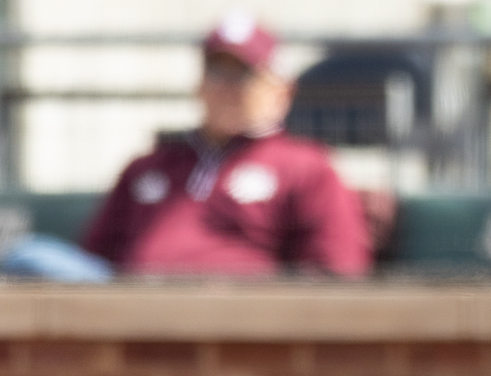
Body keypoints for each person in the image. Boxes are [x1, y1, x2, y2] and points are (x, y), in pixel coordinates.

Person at [67, 14, 372, 278]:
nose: (226, 86)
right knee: (32, 261)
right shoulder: (150, 165)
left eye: (243, 74)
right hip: (130, 319)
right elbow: (93, 260)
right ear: (198, 84)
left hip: (239, 327)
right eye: (216, 71)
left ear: (281, 90)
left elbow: (337, 272)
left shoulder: (307, 167)